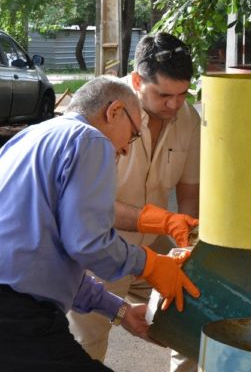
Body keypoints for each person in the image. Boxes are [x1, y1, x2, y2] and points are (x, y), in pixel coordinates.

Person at [0, 76, 199, 372]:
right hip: (17, 316)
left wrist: (121, 312)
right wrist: (150, 264)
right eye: (133, 135)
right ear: (114, 111)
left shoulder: (28, 138)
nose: (126, 150)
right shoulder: (89, 138)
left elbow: (49, 264)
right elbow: (88, 243)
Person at [68, 33, 201, 371]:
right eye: (164, 95)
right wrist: (158, 220)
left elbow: (188, 191)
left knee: (196, 310)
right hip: (98, 248)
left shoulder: (188, 119)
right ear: (138, 81)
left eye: (182, 94)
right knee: (85, 347)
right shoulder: (104, 114)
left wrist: (185, 244)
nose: (174, 105)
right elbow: (90, 207)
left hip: (150, 247)